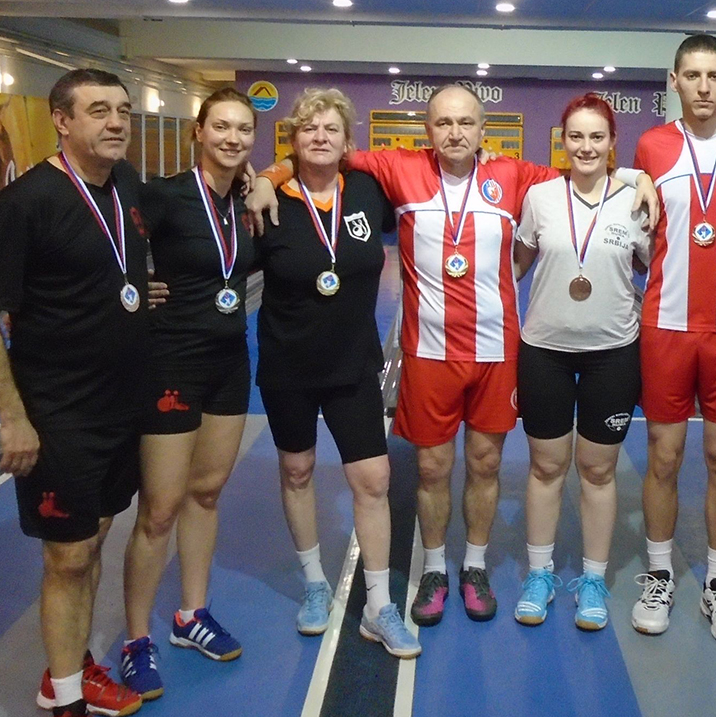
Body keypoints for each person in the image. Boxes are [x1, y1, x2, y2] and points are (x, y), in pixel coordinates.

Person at [248, 84, 656, 627]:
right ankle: (436, 569)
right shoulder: (399, 168)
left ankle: (475, 566)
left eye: (466, 123)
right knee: (432, 467)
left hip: (495, 351)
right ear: (428, 130)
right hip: (428, 352)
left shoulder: (516, 176)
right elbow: (325, 152)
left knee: (486, 463)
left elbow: (584, 170)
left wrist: (637, 175)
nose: (455, 133)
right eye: (443, 123)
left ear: (483, 130)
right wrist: (268, 175)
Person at [0, 68, 146, 717]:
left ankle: (72, 667)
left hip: (119, 407)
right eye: (99, 110)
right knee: (67, 556)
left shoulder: (125, 184)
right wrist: (13, 417)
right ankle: (66, 698)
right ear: (62, 121)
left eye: (122, 110)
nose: (116, 122)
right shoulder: (27, 203)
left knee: (92, 539)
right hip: (60, 412)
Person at [252, 88, 421, 658]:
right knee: (297, 470)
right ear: (293, 140)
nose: (320, 137)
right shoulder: (270, 202)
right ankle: (315, 584)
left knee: (373, 479)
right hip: (288, 364)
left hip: (353, 363)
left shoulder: (368, 190)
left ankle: (379, 605)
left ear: (348, 141)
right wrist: (268, 177)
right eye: (308, 128)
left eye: (331, 129)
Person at [629, 34, 716, 647]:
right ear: (675, 80)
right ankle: (659, 575)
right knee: (663, 456)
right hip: (666, 322)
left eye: (715, 75)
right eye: (693, 75)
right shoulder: (652, 145)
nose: (704, 86)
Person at [117, 87, 257, 699]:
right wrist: (129, 284)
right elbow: (107, 237)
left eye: (243, 129)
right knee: (160, 508)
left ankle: (190, 615)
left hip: (229, 362)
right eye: (221, 126)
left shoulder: (248, 202)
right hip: (171, 360)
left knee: (206, 492)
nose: (232, 138)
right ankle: (135, 640)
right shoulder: (165, 194)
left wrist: (267, 181)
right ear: (198, 132)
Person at [511, 94, 650, 631]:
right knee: (546, 466)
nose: (586, 146)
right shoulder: (541, 197)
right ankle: (539, 573)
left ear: (613, 142)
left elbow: (657, 267)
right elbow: (516, 265)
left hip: (612, 352)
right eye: (576, 136)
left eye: (597, 136)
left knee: (597, 469)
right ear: (562, 141)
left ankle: (592, 579)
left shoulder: (636, 200)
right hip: (544, 349)